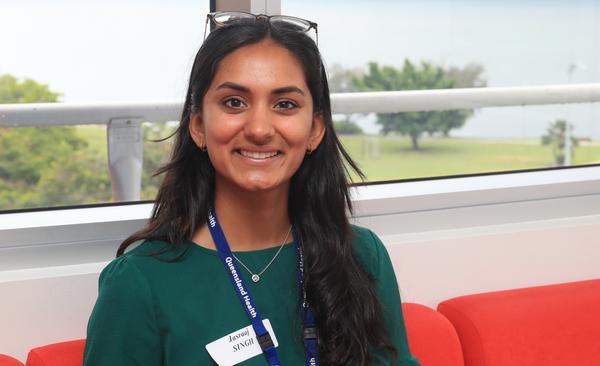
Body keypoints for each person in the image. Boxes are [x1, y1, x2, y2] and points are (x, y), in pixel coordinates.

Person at [83, 12, 420, 366]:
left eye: (285, 105)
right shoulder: (139, 282)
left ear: (315, 130)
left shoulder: (361, 254)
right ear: (198, 125)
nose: (259, 128)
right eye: (234, 102)